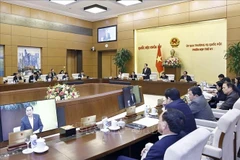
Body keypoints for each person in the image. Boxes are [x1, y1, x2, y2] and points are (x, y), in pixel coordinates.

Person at [117, 108, 185, 160]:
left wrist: (148, 153)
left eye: (159, 121)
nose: (158, 122)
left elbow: (159, 149)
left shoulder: (158, 148)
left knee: (119, 158)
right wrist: (151, 147)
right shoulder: (182, 135)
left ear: (164, 125)